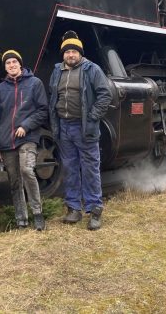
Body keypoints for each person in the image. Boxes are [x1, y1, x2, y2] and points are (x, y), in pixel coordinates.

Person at [49, 31, 112, 230]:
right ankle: (73, 208)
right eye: (67, 51)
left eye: (74, 51)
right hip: (64, 127)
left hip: (84, 128)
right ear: (63, 54)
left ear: (80, 53)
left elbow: (105, 94)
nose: (71, 54)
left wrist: (93, 116)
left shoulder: (92, 69)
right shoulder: (57, 70)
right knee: (69, 169)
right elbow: (53, 96)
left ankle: (94, 211)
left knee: (90, 169)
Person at [0, 50, 48, 231]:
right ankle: (21, 220)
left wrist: (26, 125)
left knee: (27, 170)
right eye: (8, 63)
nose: (11, 65)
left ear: (20, 64)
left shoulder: (35, 83)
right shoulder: (0, 89)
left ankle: (38, 214)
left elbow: (42, 111)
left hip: (27, 137)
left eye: (14, 62)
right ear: (5, 67)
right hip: (6, 141)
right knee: (14, 180)